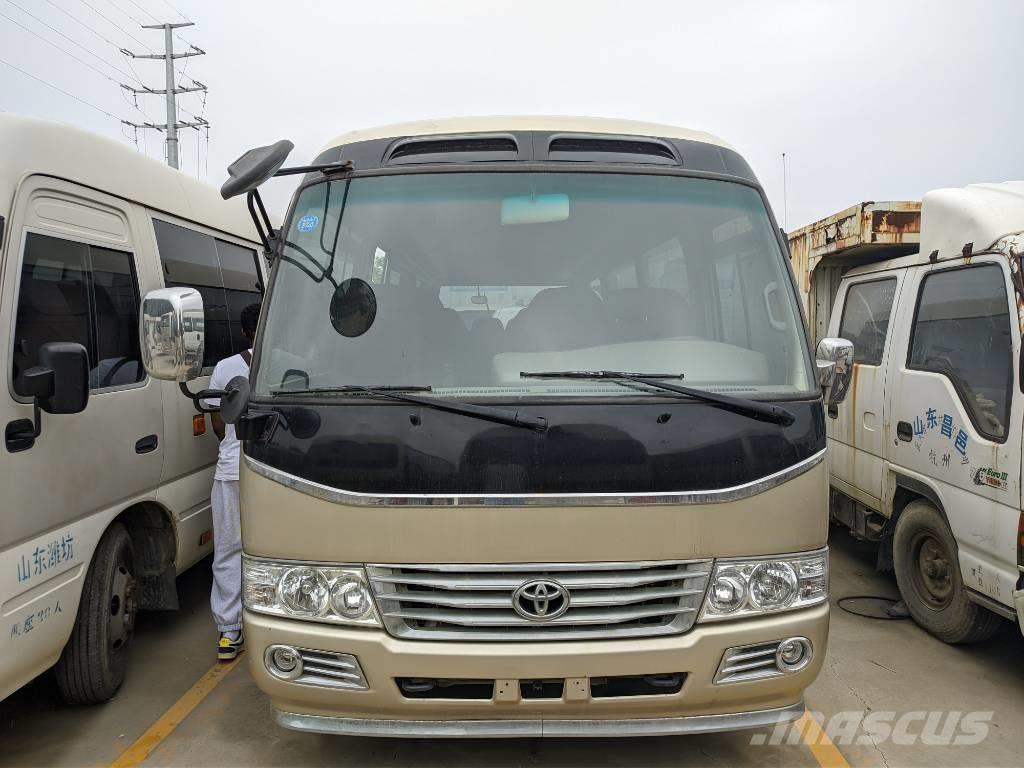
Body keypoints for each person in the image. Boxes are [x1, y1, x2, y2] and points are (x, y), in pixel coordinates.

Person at [205, 302, 261, 660]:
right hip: (278, 472)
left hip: (231, 470)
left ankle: (230, 631)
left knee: (228, 549)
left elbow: (216, 421)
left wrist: (231, 445)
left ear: (243, 332)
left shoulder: (225, 368)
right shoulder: (287, 359)